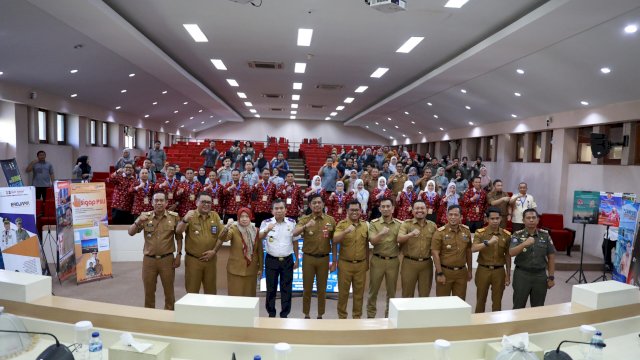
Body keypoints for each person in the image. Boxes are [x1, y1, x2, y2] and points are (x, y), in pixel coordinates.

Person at [128, 192, 182, 310]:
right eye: (156, 200)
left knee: (169, 292)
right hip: (149, 261)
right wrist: (138, 221)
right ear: (152, 203)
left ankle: (169, 316)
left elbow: (178, 237)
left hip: (167, 260)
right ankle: (149, 317)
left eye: (162, 200)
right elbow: (130, 232)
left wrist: (179, 254)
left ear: (167, 203)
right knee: (149, 292)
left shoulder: (174, 217)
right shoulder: (145, 217)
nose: (159, 203)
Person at [293, 194, 336, 319]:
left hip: (324, 259)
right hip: (308, 259)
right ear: (310, 205)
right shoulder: (305, 219)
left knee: (322, 290)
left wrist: (334, 261)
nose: (317, 205)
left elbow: (334, 242)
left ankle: (320, 314)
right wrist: (306, 226)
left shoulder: (330, 220)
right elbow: (294, 233)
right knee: (307, 288)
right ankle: (306, 314)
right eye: (314, 203)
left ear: (323, 204)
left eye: (319, 202)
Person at [176, 192, 223, 294]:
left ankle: (209, 310)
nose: (206, 204)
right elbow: (178, 231)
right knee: (192, 292)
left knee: (211, 292)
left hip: (210, 260)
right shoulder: (190, 215)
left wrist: (214, 251)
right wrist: (184, 220)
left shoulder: (215, 216)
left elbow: (222, 236)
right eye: (203, 202)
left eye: (209, 202)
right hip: (193, 260)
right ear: (197, 202)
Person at [259, 199, 298, 318]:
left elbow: (295, 241)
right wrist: (267, 229)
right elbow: (259, 237)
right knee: (271, 289)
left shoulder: (292, 223)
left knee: (287, 289)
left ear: (286, 210)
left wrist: (297, 259)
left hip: (287, 260)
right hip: (271, 260)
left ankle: (284, 314)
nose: (279, 210)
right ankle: (271, 313)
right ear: (272, 211)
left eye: (281, 208)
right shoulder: (266, 222)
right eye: (276, 208)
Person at [510, 209, 556, 309]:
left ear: (538, 220)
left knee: (538, 307)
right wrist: (524, 244)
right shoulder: (517, 235)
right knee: (518, 305)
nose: (531, 220)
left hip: (540, 276)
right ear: (523, 220)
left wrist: (551, 277)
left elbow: (551, 257)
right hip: (522, 275)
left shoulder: (545, 235)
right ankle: (517, 325)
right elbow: (511, 253)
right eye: (528, 218)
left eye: (533, 217)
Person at [471, 207, 512, 312]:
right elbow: (473, 248)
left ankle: (495, 325)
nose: (495, 221)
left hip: (499, 271)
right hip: (483, 270)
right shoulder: (480, 233)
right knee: (481, 299)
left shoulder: (506, 235)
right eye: (492, 218)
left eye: (497, 218)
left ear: (501, 219)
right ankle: (479, 324)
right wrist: (487, 243)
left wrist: (508, 275)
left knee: (497, 301)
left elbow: (507, 256)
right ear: (487, 219)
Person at [333, 200, 369, 319]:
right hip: (345, 264)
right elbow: (335, 239)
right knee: (343, 293)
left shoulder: (365, 225)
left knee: (359, 294)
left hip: (361, 264)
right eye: (352, 210)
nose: (355, 212)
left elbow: (367, 247)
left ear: (360, 211)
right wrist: (346, 231)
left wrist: (367, 263)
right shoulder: (342, 224)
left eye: (357, 210)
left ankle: (357, 318)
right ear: (347, 211)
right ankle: (342, 318)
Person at [366, 198, 401, 318]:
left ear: (393, 208)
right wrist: (381, 233)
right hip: (377, 260)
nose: (385, 209)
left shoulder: (399, 224)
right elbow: (373, 241)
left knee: (391, 293)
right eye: (383, 207)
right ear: (380, 209)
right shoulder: (374, 223)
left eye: (388, 206)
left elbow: (402, 242)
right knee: (373, 291)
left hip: (393, 261)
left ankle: (389, 317)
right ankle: (370, 317)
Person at [217, 207, 262, 296]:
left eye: (247, 216)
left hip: (251, 269)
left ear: (250, 217)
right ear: (238, 218)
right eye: (242, 217)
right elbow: (223, 238)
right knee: (235, 296)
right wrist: (226, 227)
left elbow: (259, 251)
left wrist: (260, 267)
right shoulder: (233, 229)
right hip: (235, 269)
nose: (244, 219)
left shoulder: (256, 230)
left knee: (249, 296)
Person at [432, 205, 472, 300]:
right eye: (450, 215)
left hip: (461, 273)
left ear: (461, 217)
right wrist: (439, 273)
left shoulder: (466, 231)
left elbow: (468, 252)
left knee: (460, 302)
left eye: (456, 215)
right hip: (445, 272)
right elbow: (435, 254)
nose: (453, 217)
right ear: (447, 216)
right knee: (442, 302)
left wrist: (470, 270)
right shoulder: (439, 232)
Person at [398, 200, 438, 298]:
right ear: (412, 211)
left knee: (424, 295)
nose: (419, 210)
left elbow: (437, 245)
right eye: (417, 208)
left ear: (427, 210)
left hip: (426, 264)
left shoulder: (432, 226)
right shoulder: (406, 224)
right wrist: (410, 234)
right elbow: (399, 239)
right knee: (407, 294)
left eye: (422, 208)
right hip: (409, 263)